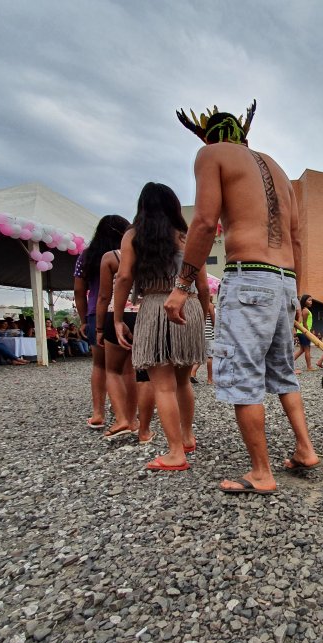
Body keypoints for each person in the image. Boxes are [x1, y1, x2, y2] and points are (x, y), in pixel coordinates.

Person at [165, 100, 318, 494]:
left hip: (249, 275)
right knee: (283, 371)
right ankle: (305, 448)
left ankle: (261, 473)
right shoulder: (277, 168)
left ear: (207, 135)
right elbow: (297, 237)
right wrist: (296, 292)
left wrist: (182, 287)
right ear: (243, 135)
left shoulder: (211, 154)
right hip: (284, 278)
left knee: (243, 374)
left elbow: (203, 221)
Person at [115, 182, 208, 470]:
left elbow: (124, 278)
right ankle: (187, 437)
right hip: (189, 303)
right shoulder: (186, 236)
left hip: (155, 304)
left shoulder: (133, 236)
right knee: (181, 381)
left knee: (163, 386)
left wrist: (118, 318)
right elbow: (203, 284)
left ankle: (175, 452)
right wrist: (200, 316)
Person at [97, 238, 155, 441]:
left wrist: (99, 326)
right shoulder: (152, 254)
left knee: (113, 370)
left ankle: (122, 419)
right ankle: (140, 426)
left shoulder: (110, 257)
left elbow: (104, 296)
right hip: (146, 314)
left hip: (117, 314)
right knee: (142, 374)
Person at [76, 215, 130, 429]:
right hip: (126, 311)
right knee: (126, 368)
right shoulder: (126, 255)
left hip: (95, 314)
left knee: (100, 366)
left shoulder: (86, 257)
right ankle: (126, 413)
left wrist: (83, 320)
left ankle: (98, 413)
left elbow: (79, 291)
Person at [191, 298, 216, 384]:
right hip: (209, 334)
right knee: (210, 357)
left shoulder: (198, 305)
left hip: (199, 333)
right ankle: (210, 379)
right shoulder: (210, 305)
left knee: (200, 355)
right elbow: (213, 320)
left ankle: (192, 373)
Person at [293, 294, 315, 372]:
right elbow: (305, 323)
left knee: (302, 350)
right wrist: (308, 333)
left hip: (301, 332)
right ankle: (309, 367)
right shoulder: (305, 310)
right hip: (304, 332)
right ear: (304, 301)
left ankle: (290, 362)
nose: (311, 302)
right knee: (307, 350)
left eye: (311, 300)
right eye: (309, 300)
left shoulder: (303, 309)